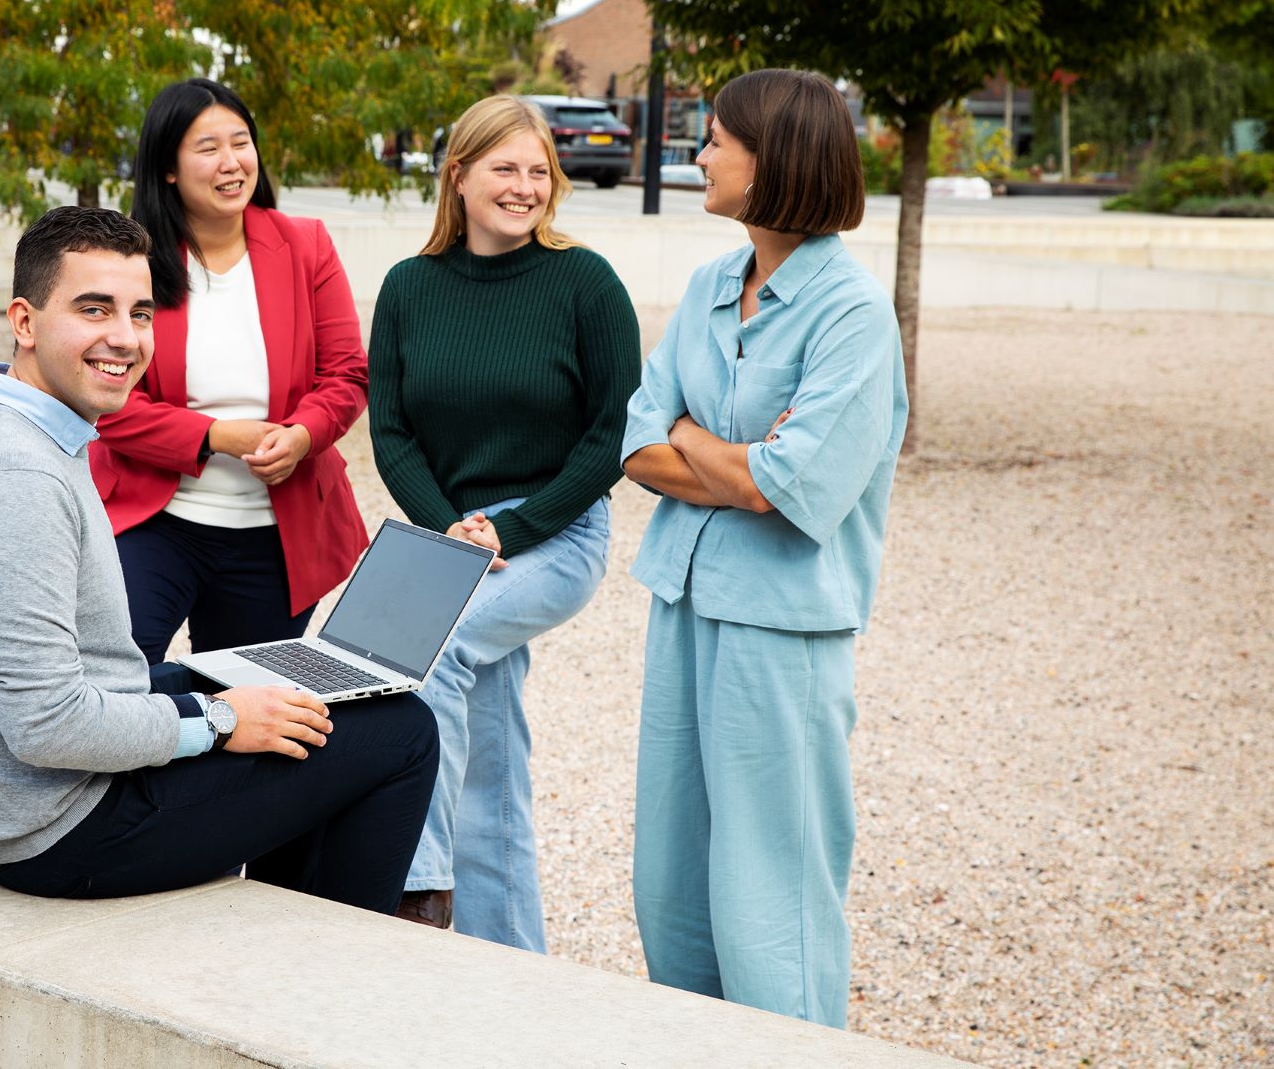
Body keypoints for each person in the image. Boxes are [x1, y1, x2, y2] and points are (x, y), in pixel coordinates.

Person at [0, 205, 437, 912]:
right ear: (23, 322)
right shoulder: (15, 478)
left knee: (303, 700)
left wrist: (208, 691)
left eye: (140, 313)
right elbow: (46, 726)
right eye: (94, 309)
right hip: (58, 828)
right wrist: (219, 719)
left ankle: (288, 920)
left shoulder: (6, 429)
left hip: (33, 792)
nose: (123, 338)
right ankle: (329, 969)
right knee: (402, 732)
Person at [620, 68, 909, 1028]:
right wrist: (733, 452)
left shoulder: (854, 315)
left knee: (770, 894)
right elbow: (635, 439)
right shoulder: (710, 283)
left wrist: (701, 440)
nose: (698, 156)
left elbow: (785, 490)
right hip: (685, 603)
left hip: (781, 631)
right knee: (670, 878)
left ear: (773, 155)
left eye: (713, 139)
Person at [368, 94, 641, 949]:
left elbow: (612, 434)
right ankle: (510, 961)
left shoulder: (584, 284)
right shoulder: (409, 288)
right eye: (505, 168)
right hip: (447, 532)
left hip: (554, 532)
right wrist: (450, 527)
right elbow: (390, 430)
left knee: (430, 649)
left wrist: (509, 534)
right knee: (488, 758)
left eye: (538, 171)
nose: (524, 187)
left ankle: (416, 887)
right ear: (458, 176)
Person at [90, 78, 369, 664]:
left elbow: (345, 375)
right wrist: (216, 436)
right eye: (207, 147)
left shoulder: (306, 245)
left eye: (240, 142)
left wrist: (302, 436)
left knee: (245, 702)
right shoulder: (129, 260)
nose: (231, 162)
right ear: (168, 167)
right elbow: (105, 401)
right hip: (155, 519)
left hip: (278, 531)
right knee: (120, 672)